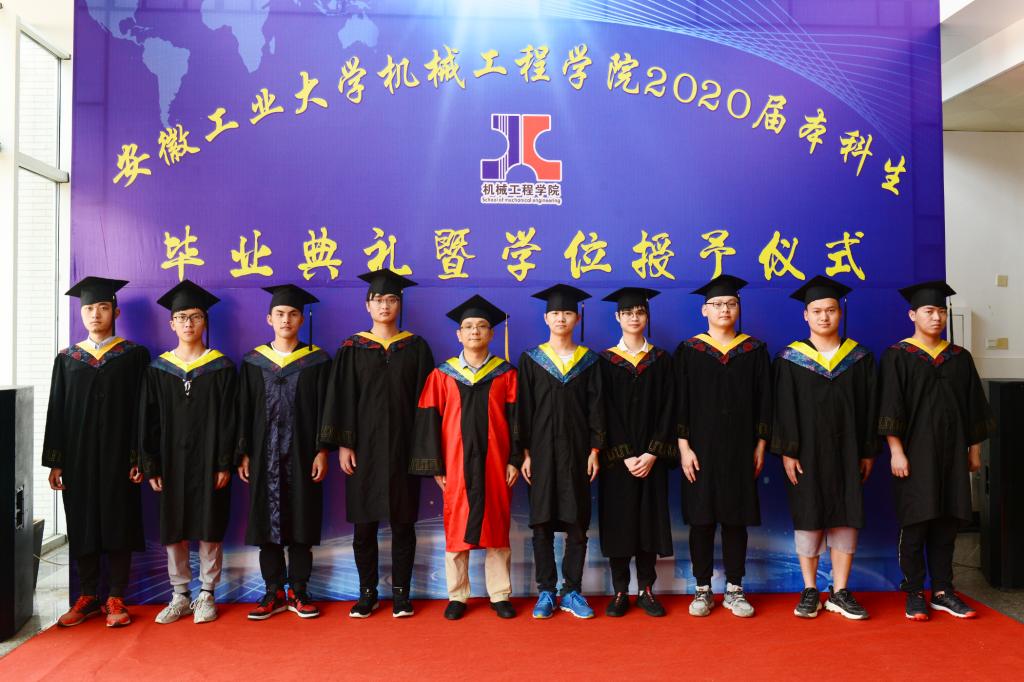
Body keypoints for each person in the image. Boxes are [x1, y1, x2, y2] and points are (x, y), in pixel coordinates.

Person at [319, 269, 434, 618]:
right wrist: (344, 444)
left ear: (400, 304)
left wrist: (423, 449)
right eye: (378, 300)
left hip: (403, 447)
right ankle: (367, 593)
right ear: (367, 305)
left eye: (392, 299)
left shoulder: (416, 347)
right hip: (363, 448)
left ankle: (401, 595)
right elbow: (341, 398)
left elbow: (427, 402)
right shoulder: (352, 348)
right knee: (364, 525)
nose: (385, 305)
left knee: (403, 524)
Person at [878, 280, 995, 620]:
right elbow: (890, 406)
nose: (936, 317)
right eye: (929, 311)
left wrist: (974, 450)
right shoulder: (898, 356)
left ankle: (943, 590)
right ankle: (914, 591)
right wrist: (896, 451)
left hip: (953, 454)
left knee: (947, 522)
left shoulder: (959, 358)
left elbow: (973, 407)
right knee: (916, 522)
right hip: (914, 454)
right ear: (912, 315)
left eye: (941, 312)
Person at [43, 277, 150, 628]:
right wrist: (56, 461)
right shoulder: (68, 359)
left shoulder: (133, 356)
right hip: (79, 457)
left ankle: (116, 595)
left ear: (115, 313)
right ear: (81, 312)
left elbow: (143, 410)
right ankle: (88, 595)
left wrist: (139, 457)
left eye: (103, 308)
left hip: (121, 457)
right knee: (82, 521)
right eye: (89, 308)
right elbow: (57, 410)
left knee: (120, 520)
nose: (95, 314)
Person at [771, 275, 877, 620]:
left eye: (830, 310)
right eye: (816, 311)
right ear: (806, 315)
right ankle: (810, 589)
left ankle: (840, 591)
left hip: (848, 451)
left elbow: (870, 408)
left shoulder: (859, 358)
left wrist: (867, 451)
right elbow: (783, 408)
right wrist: (787, 450)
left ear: (840, 313)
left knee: (846, 515)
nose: (824, 316)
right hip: (806, 452)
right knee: (809, 515)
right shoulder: (790, 358)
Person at [411, 295, 520, 620]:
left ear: (491, 333)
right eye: (469, 326)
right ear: (458, 334)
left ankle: (499, 594)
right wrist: (436, 465)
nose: (475, 331)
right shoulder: (442, 375)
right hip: (455, 463)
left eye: (482, 326)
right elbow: (428, 421)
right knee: (456, 524)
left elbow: (518, 421)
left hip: (496, 462)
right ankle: (457, 595)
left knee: (496, 523)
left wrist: (514, 459)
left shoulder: (506, 374)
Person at [140, 280, 237, 625]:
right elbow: (148, 421)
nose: (188, 323)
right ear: (172, 324)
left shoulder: (222, 368)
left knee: (210, 524)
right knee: (174, 526)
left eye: (195, 317)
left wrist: (224, 461)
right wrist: (151, 465)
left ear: (204, 321)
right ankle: (180, 594)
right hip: (171, 461)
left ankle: (207, 593)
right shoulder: (158, 370)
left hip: (209, 460)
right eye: (181, 317)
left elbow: (230, 419)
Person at [675, 275, 771, 618]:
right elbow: (679, 402)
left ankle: (734, 589)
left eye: (731, 304)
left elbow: (765, 402)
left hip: (740, 448)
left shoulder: (754, 351)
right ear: (705, 310)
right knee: (700, 520)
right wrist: (684, 448)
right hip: (699, 449)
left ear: (738, 308)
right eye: (717, 304)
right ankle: (702, 588)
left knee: (735, 519)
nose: (724, 309)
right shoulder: (689, 351)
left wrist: (761, 445)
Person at [237, 284, 331, 620]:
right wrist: (243, 452)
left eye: (292, 314)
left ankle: (300, 590)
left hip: (304, 454)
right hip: (264, 455)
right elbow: (243, 410)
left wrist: (322, 450)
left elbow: (326, 409)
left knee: (302, 521)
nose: (286, 319)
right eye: (280, 314)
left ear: (301, 319)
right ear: (269, 319)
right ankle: (273, 590)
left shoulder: (318, 361)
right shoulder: (253, 362)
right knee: (267, 523)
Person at [518, 284, 604, 620]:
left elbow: (597, 408)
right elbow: (523, 410)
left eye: (567, 313)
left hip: (578, 451)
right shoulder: (531, 360)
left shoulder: (589, 362)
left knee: (576, 521)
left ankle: (572, 590)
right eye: (555, 313)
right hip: (540, 451)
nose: (561, 318)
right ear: (546, 318)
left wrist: (595, 450)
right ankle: (546, 590)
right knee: (541, 522)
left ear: (577, 318)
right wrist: (524, 454)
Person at [598, 287, 676, 618]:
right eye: (628, 312)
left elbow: (670, 408)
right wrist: (625, 454)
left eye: (640, 312)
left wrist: (653, 453)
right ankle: (620, 591)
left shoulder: (661, 360)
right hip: (619, 461)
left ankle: (646, 590)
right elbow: (603, 410)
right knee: (619, 523)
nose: (634, 317)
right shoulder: (604, 361)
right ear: (617, 316)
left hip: (651, 460)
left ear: (647, 316)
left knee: (648, 524)